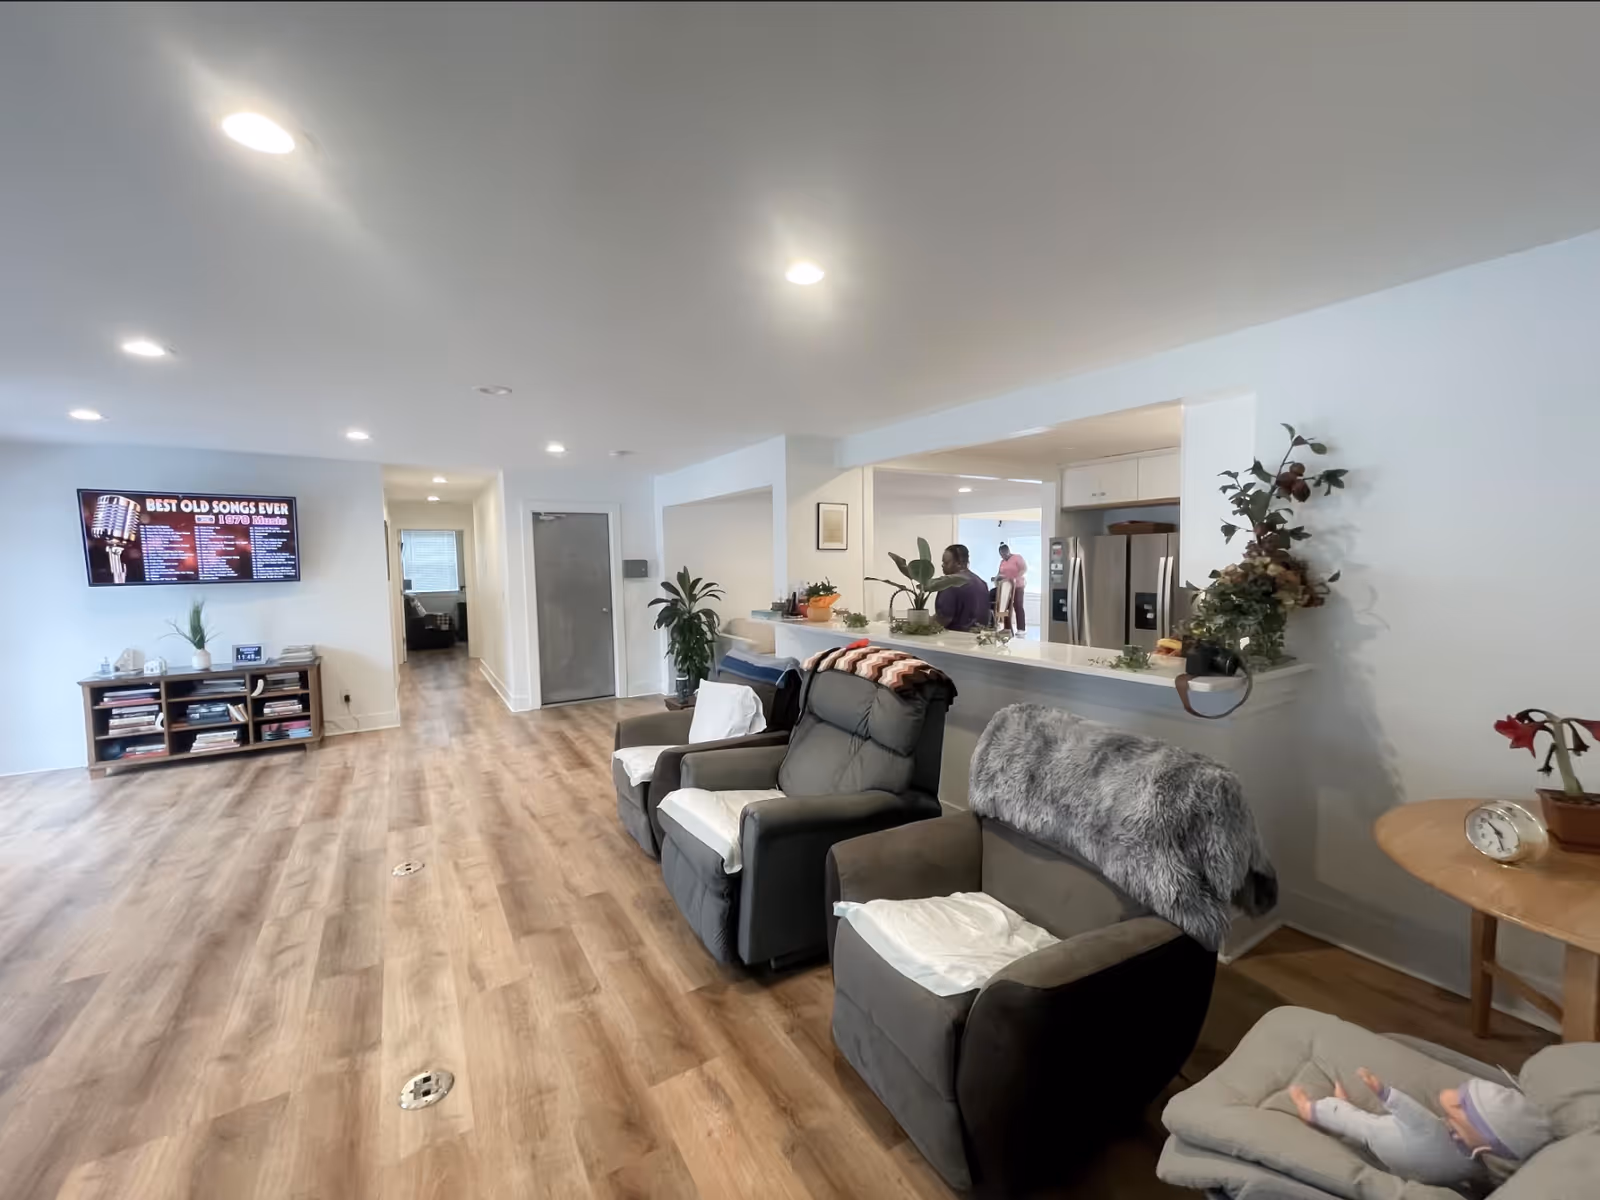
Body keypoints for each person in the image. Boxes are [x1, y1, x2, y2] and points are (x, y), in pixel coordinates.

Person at [1288, 1066, 1552, 1189]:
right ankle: (1341, 1110)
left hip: (1382, 1137)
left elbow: (1411, 1112)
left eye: (1462, 1107)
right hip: (1398, 1157)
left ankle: (1311, 1110)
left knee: (1359, 1124)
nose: (1450, 1100)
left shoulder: (1434, 1131)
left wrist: (1384, 1092)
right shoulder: (1471, 1165)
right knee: (1360, 1125)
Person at [934, 544, 994, 632]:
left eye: (946, 563)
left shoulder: (949, 584)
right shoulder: (982, 583)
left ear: (959, 563)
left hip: (956, 639)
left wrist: (921, 624)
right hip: (979, 638)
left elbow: (943, 619)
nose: (942, 566)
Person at [998, 542, 1027, 632]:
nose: (1003, 557)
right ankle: (1007, 628)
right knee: (1006, 606)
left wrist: (1014, 577)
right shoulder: (1002, 562)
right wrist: (997, 578)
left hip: (1017, 585)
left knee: (1018, 605)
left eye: (1004, 554)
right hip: (1006, 587)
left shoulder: (1017, 558)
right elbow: (999, 573)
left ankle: (1021, 629)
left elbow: (1024, 569)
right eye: (1001, 555)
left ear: (1008, 551)